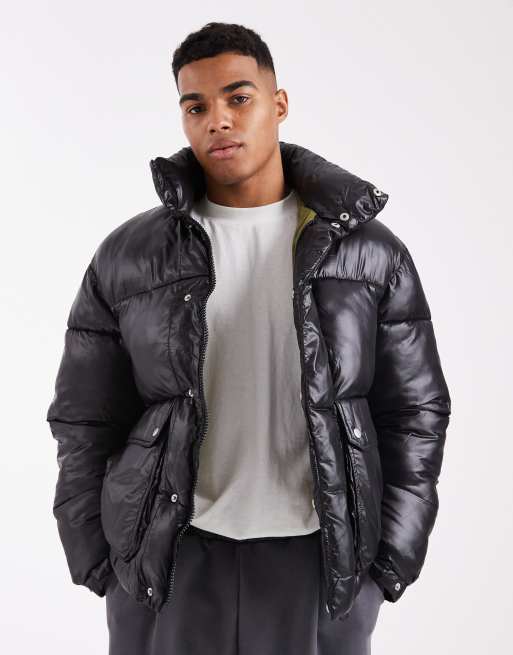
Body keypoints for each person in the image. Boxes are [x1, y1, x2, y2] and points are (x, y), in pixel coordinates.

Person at [46, 21, 451, 655]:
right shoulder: (130, 258)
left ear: (278, 103)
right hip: (168, 563)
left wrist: (388, 563)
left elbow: (415, 412)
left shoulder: (370, 254)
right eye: (195, 106)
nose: (218, 120)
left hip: (322, 563)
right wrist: (99, 560)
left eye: (239, 97)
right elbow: (84, 417)